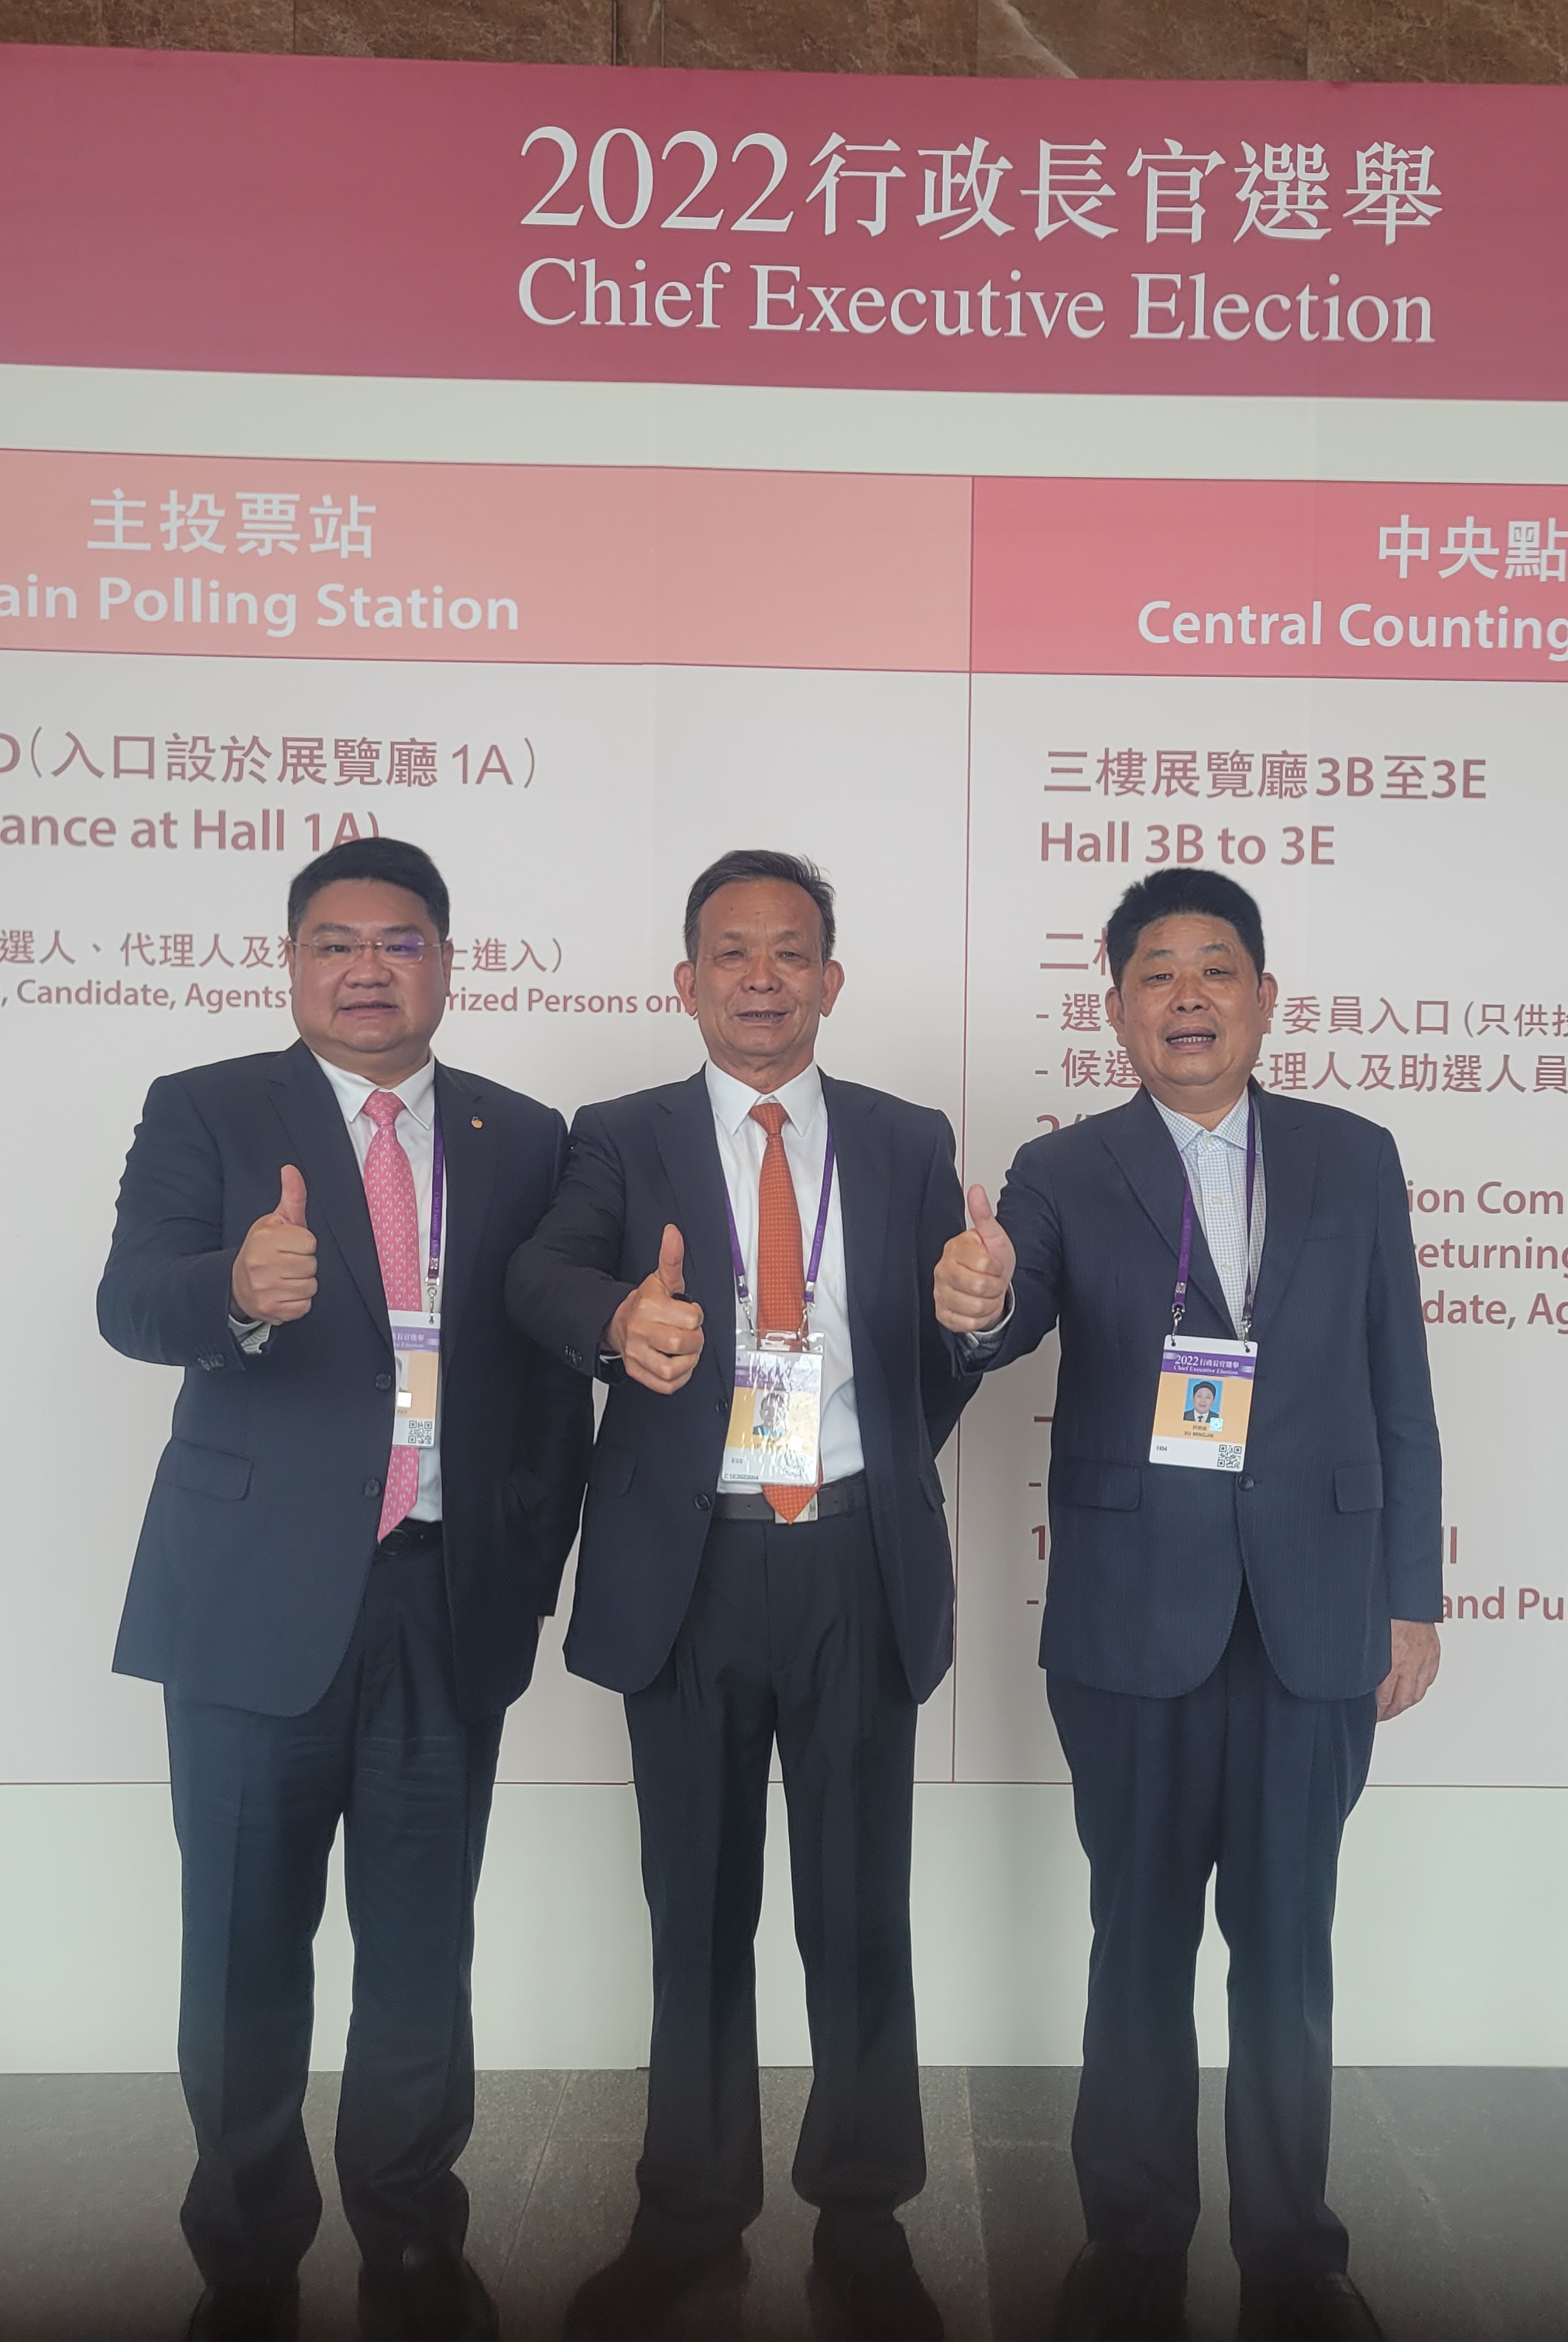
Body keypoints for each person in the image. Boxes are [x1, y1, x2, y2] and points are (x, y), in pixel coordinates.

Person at [932, 867, 1443, 2342]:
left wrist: (1408, 1596)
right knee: (1139, 1946)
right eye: (1156, 974)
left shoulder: (1353, 1157)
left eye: (1217, 969)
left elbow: (1399, 1386)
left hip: (1313, 1618)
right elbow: (1010, 1317)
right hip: (1132, 1622)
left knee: (1288, 1955)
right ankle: (1132, 2244)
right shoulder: (1064, 1169)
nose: (1189, 998)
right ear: (1116, 1011)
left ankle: (1296, 2258)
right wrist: (977, 1300)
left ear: (1265, 999)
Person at [98, 836, 592, 2342]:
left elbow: (551, 1377)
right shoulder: (207, 1108)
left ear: (447, 961)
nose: (368, 969)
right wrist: (232, 1292)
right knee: (243, 1948)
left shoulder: (523, 1134)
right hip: (251, 1606)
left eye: (400, 942)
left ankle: (414, 2237)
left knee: (422, 1948)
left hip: (444, 1599)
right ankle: (247, 2252)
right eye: (336, 942)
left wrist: (522, 1561)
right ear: (293, 962)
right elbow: (130, 1299)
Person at [506, 850, 980, 2342]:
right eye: (731, 952)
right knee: (697, 1906)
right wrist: (618, 1320)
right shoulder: (620, 1136)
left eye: (789, 952)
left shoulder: (905, 1139)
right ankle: (691, 2215)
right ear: (687, 981)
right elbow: (537, 1276)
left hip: (854, 1558)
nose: (761, 978)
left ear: (830, 980)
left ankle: (864, 2215)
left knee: (859, 1907)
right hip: (688, 1566)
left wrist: (979, 1321)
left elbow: (942, 1350)